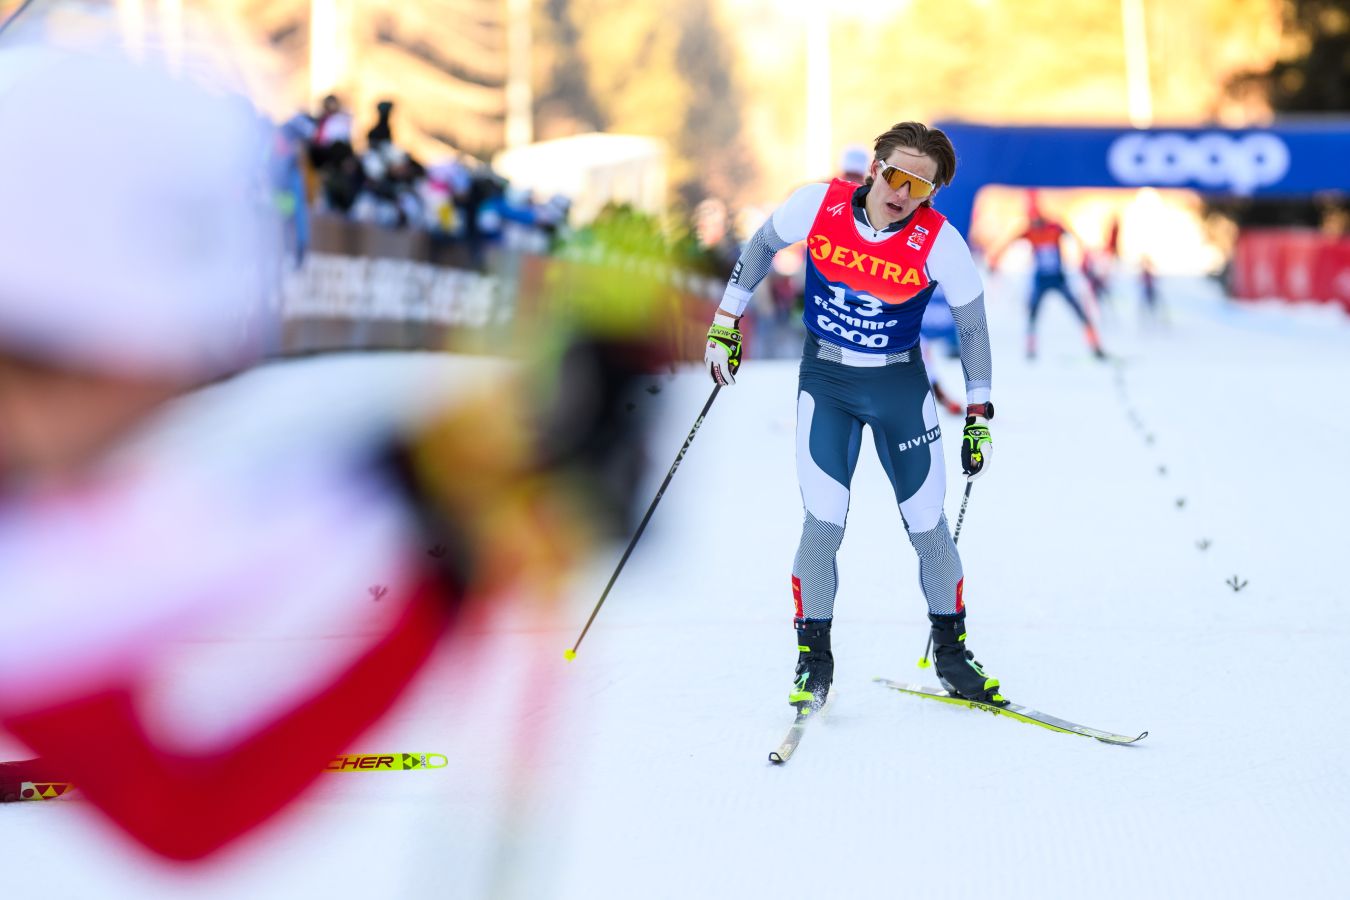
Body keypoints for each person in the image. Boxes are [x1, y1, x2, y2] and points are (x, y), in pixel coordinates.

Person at [703, 121, 1004, 712]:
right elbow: (761, 247)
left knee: (927, 525)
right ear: (873, 168)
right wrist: (724, 320)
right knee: (824, 519)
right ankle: (814, 660)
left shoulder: (940, 240)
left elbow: (972, 324)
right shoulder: (819, 203)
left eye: (920, 187)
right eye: (895, 175)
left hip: (898, 387)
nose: (902, 193)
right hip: (829, 382)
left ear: (933, 194)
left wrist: (979, 414)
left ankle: (951, 653)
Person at [989, 194, 1106, 360]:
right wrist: (995, 260)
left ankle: (1095, 346)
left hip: (1058, 278)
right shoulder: (1029, 230)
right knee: (1033, 313)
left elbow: (1074, 237)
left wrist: (1085, 256)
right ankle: (1031, 349)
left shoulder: (1054, 227)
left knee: (1079, 311)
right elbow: (1007, 244)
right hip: (1040, 280)